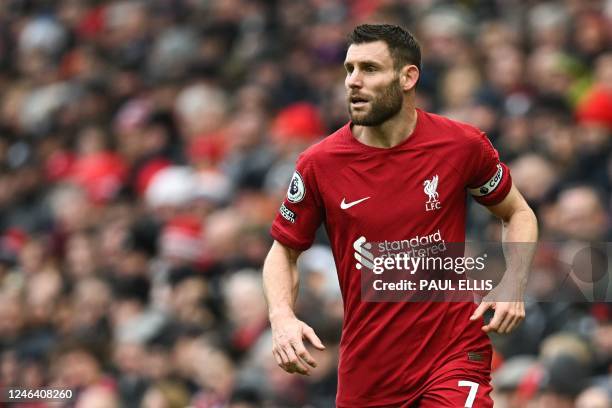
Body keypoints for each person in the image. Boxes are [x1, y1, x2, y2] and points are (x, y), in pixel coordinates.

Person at [263, 24, 538, 407]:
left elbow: (517, 212)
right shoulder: (319, 164)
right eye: (349, 70)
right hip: (370, 371)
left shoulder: (461, 146)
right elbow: (283, 251)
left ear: (408, 77)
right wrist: (281, 317)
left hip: (454, 354)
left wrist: (514, 281)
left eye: (369, 69)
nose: (353, 82)